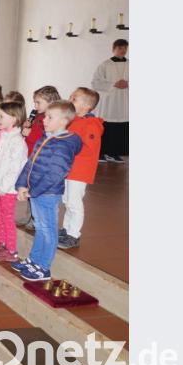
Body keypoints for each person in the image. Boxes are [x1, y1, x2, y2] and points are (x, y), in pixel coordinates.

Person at [12, 101, 82, 281]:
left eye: (50, 117)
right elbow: (30, 163)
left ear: (64, 121)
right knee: (40, 227)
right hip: (35, 192)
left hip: (48, 194)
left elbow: (56, 174)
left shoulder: (64, 144)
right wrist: (21, 185)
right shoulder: (46, 137)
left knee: (48, 230)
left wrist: (33, 191)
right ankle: (34, 260)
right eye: (45, 116)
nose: (44, 120)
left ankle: (43, 267)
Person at [58, 88, 104, 249]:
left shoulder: (91, 125)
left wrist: (67, 147)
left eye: (74, 98)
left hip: (79, 171)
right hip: (68, 168)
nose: (70, 98)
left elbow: (88, 148)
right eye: (71, 96)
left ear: (86, 106)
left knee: (74, 202)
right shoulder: (73, 121)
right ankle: (66, 229)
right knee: (66, 200)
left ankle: (74, 234)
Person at [0, 102, 28, 262]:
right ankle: (1, 244)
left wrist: (4, 185)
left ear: (14, 118)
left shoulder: (17, 141)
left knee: (7, 218)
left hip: (8, 188)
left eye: (1, 116)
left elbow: (15, 168)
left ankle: (12, 250)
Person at [92, 39, 129, 163]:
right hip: (109, 102)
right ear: (114, 49)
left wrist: (127, 84)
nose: (123, 51)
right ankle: (101, 153)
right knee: (107, 127)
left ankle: (115, 153)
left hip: (125, 101)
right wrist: (114, 84)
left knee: (121, 127)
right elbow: (95, 82)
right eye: (120, 48)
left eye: (125, 48)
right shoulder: (105, 65)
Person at [23, 86, 61, 156]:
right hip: (29, 152)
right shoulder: (39, 115)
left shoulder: (53, 119)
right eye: (35, 103)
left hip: (37, 155)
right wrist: (29, 126)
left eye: (38, 103)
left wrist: (30, 134)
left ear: (51, 102)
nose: (35, 106)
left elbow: (46, 139)